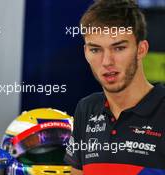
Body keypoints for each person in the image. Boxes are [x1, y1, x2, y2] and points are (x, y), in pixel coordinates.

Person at [64, 0, 165, 174]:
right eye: (95, 50)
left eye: (118, 48)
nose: (107, 62)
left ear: (141, 49)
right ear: (85, 52)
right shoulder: (86, 109)